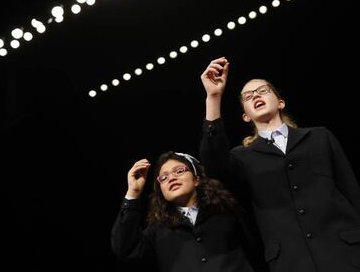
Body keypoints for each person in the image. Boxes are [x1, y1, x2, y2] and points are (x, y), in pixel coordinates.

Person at [198, 56, 360, 272]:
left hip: (346, 252)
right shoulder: (241, 157)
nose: (255, 95)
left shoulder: (320, 137)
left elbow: (351, 190)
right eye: (248, 96)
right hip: (290, 262)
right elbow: (213, 168)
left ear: (280, 102)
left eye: (262, 90)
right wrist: (214, 97)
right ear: (246, 116)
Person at [111, 151, 268, 272]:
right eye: (163, 178)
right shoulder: (158, 230)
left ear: (197, 179)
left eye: (179, 171)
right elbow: (125, 248)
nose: (171, 178)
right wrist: (133, 193)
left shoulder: (226, 210)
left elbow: (256, 249)